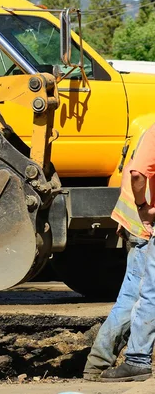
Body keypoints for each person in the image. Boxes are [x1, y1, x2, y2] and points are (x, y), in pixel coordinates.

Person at [82, 127, 153, 381]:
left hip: (137, 220)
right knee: (138, 296)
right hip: (143, 224)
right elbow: (138, 175)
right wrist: (144, 210)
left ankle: (99, 363)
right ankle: (101, 362)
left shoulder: (146, 128)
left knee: (137, 294)